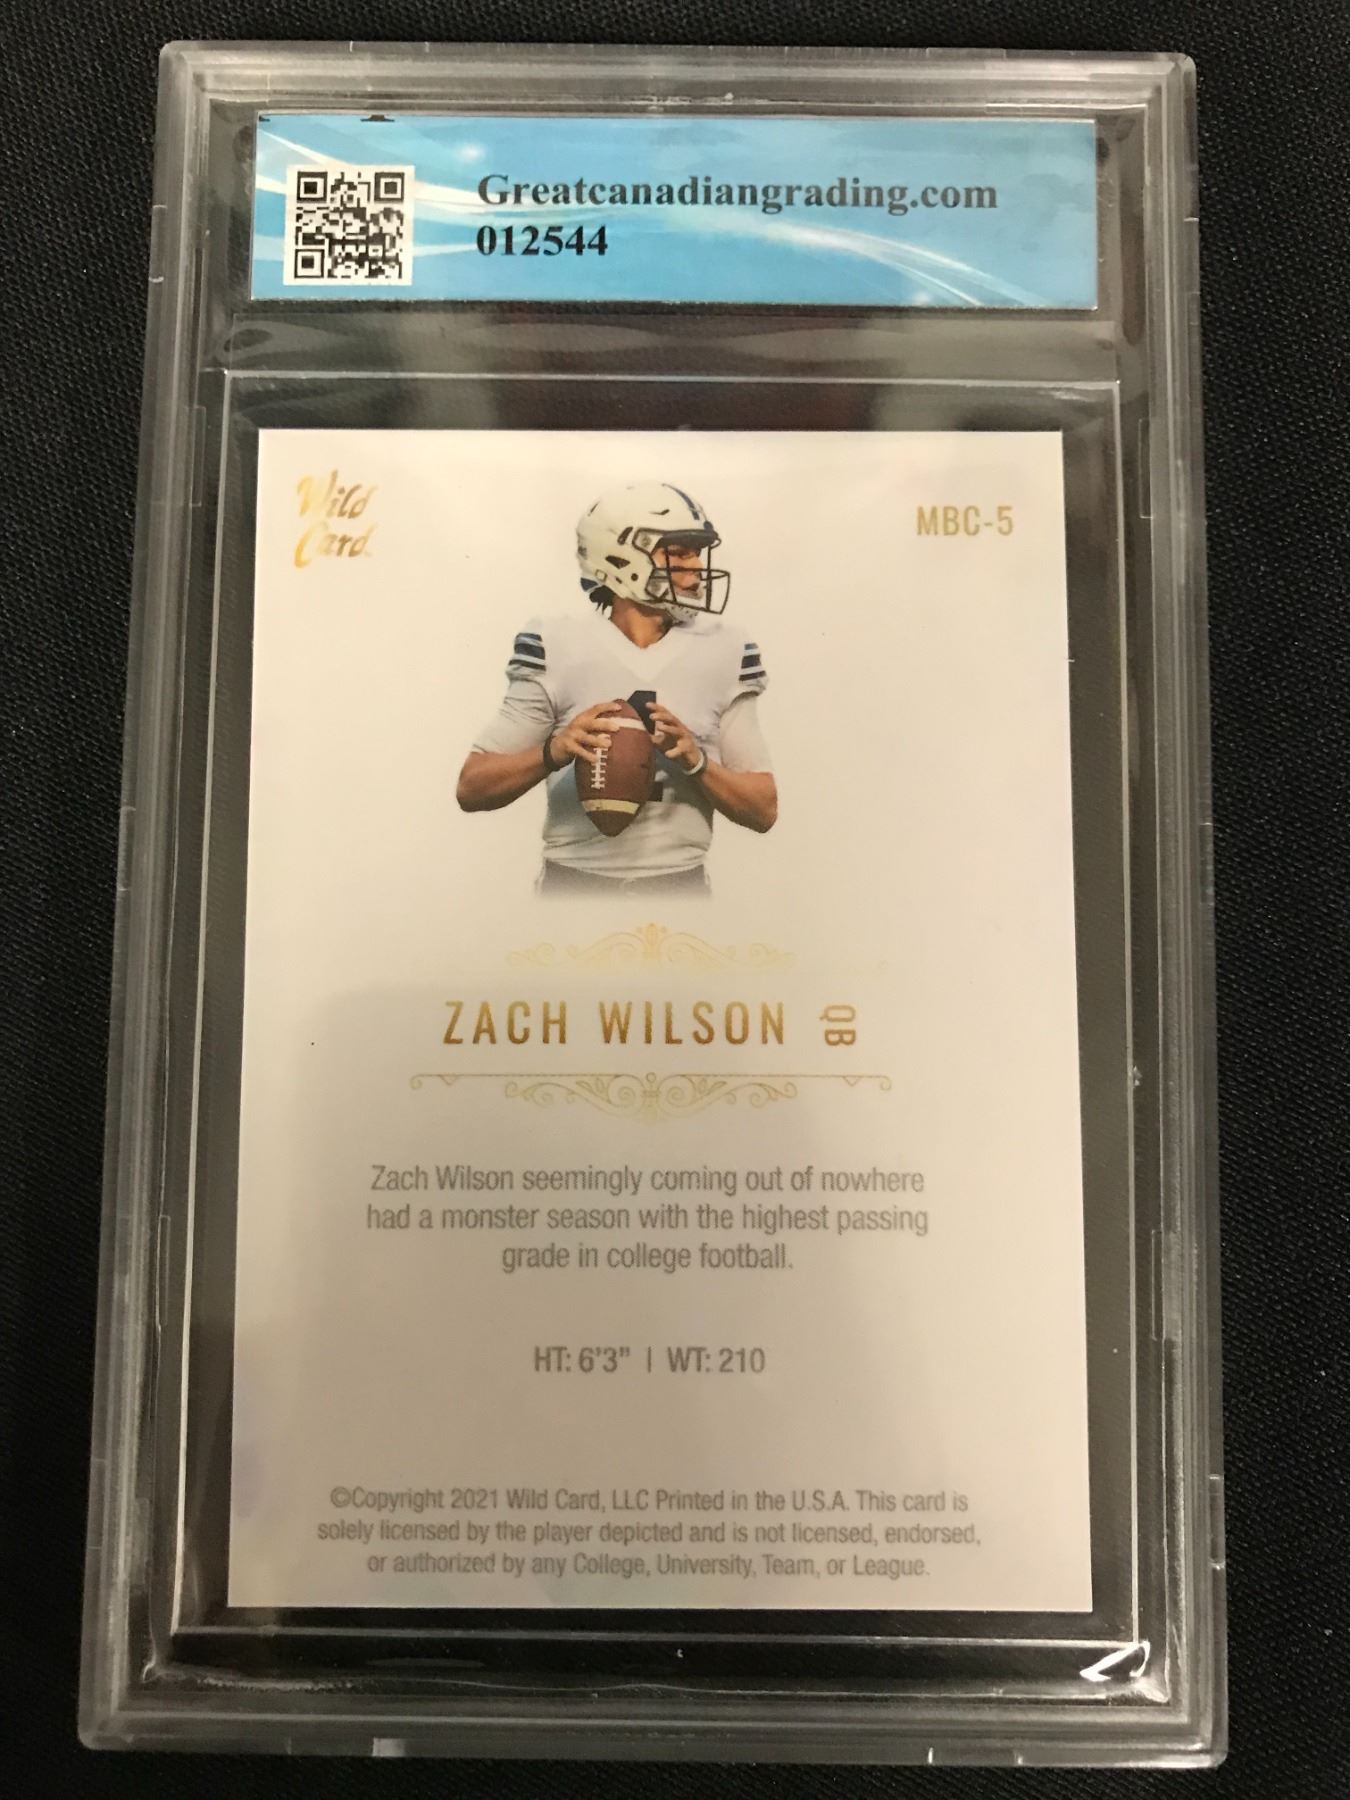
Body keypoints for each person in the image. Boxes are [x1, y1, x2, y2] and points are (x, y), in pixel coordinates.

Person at [457, 481, 777, 895]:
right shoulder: (557, 643)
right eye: (680, 552)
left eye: (698, 552)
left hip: (680, 887)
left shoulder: (725, 648)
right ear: (620, 555)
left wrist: (698, 762)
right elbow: (472, 787)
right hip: (572, 885)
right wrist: (553, 751)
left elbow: (763, 809)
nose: (697, 566)